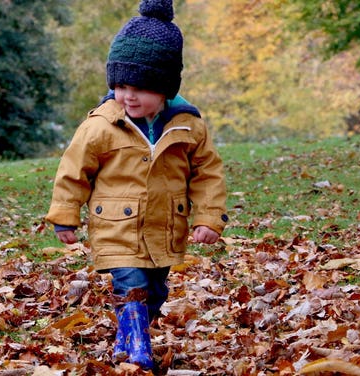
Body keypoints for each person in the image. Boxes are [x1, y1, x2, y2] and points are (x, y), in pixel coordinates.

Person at [45, 0, 228, 370]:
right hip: (115, 226)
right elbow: (73, 169)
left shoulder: (188, 126)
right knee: (131, 287)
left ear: (164, 89)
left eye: (141, 87)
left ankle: (127, 338)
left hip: (163, 230)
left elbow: (207, 172)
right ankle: (139, 350)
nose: (129, 95)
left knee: (156, 292)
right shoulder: (101, 125)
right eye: (121, 85)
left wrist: (208, 218)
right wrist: (66, 214)